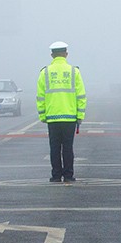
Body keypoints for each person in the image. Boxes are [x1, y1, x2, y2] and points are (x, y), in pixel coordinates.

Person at [36, 41, 86, 183]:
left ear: (52, 55)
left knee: (54, 148)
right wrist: (80, 116)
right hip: (70, 118)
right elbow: (81, 95)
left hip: (52, 118)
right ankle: (69, 175)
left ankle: (56, 175)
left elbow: (40, 97)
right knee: (68, 148)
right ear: (66, 54)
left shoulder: (44, 72)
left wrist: (43, 115)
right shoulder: (74, 72)